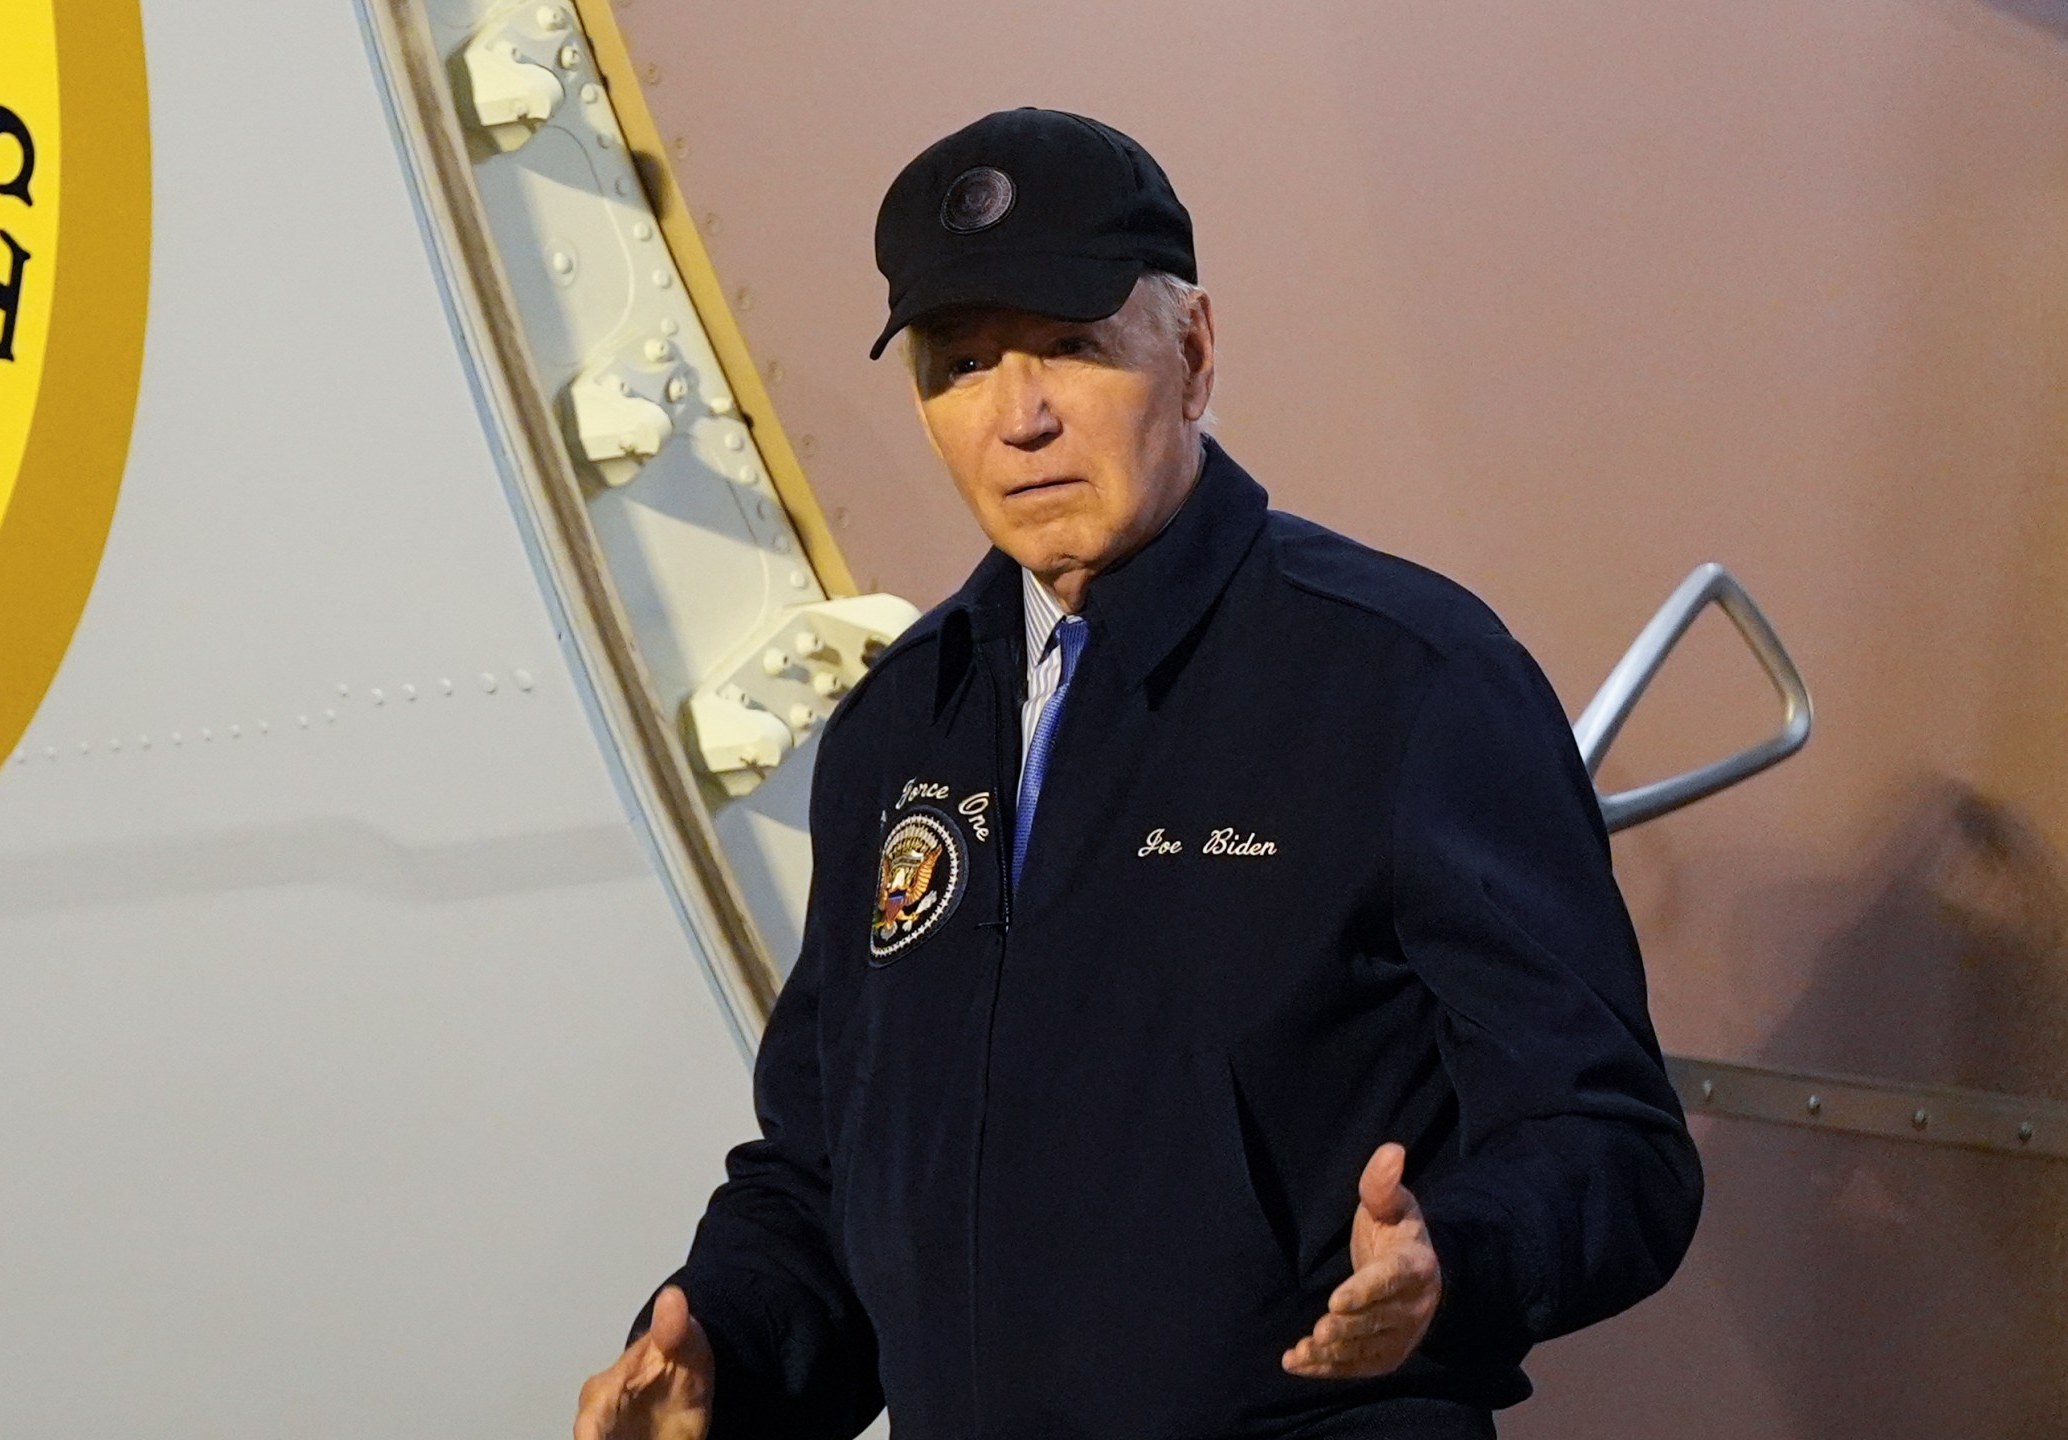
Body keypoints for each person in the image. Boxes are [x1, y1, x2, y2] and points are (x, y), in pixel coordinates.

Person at [573, 108, 1702, 1440]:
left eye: (1071, 346)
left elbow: (1608, 1142)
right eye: (962, 364)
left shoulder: (1402, 678)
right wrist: (724, 1353)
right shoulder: (898, 729)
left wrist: (1452, 1261)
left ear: (1195, 351)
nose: (1020, 418)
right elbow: (830, 1179)